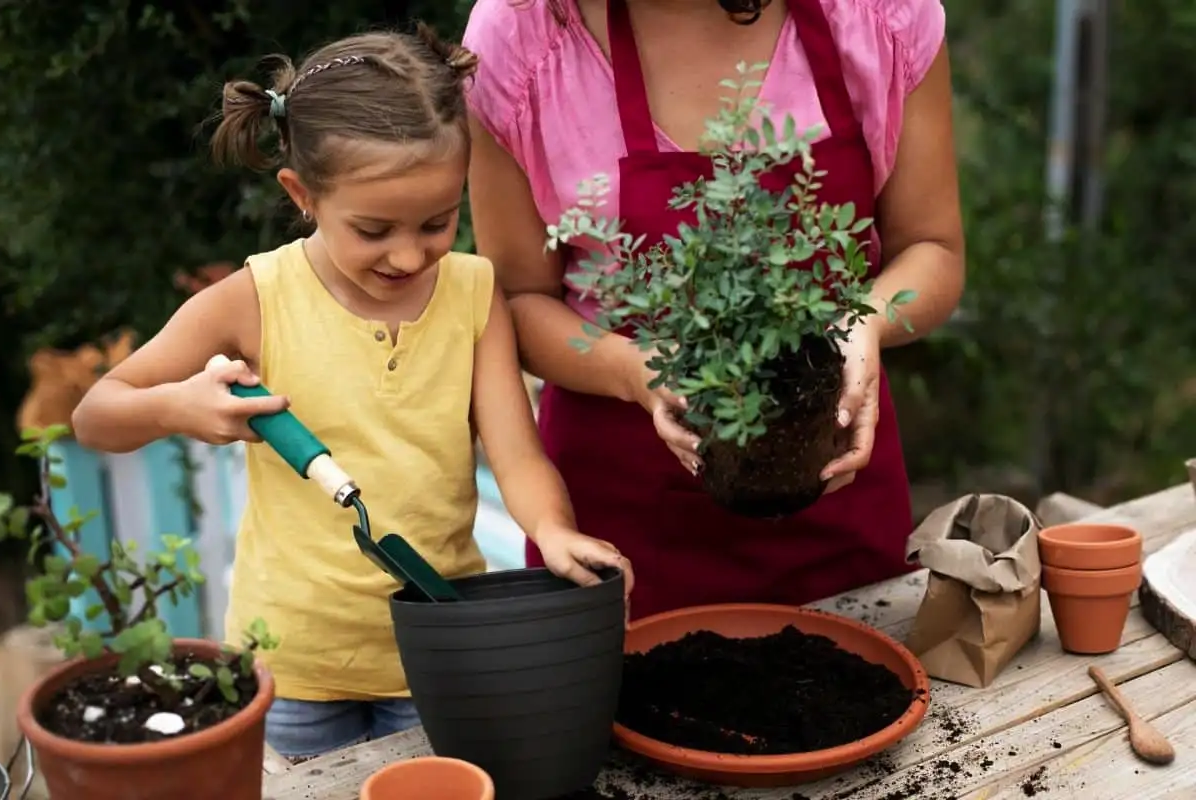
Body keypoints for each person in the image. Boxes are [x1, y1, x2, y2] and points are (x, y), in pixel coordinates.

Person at [70, 25, 633, 761]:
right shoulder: (255, 298)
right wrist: (180, 407)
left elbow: (518, 454)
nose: (408, 254)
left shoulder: (473, 294)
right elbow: (95, 415)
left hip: (437, 649)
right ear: (302, 195)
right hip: (293, 669)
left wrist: (553, 531)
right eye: (373, 230)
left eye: (437, 222)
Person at [462, 0, 965, 619]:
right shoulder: (524, 31)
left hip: (831, 490)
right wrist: (632, 370)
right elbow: (517, 299)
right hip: (620, 531)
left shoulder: (877, 15)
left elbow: (932, 250)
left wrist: (863, 321)